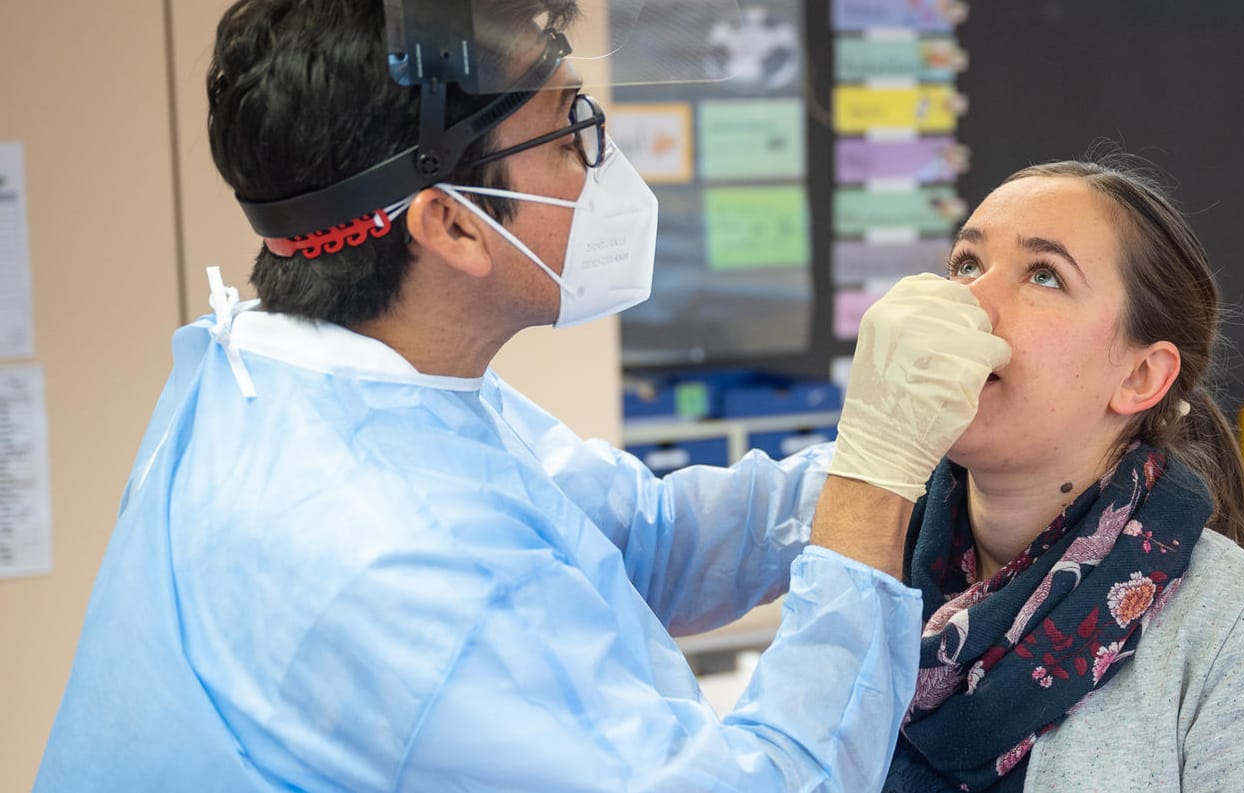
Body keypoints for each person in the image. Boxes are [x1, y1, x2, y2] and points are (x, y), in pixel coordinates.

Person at [35, 1, 1012, 791]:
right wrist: (875, 483)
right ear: (450, 224)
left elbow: (642, 542)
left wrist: (889, 462)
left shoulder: (295, 376)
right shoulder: (390, 548)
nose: (601, 167)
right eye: (569, 135)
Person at [881, 159, 1244, 792]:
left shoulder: (1231, 625)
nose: (966, 303)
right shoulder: (863, 551)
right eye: (967, 264)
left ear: (1140, 377)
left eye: (1044, 275)